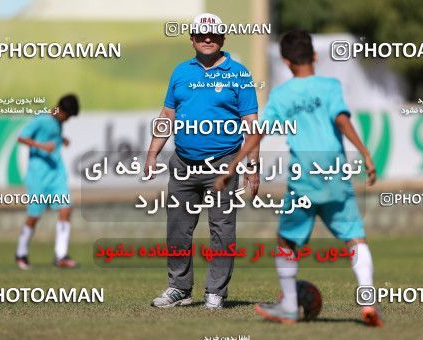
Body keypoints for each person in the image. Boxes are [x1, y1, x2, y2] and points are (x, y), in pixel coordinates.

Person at [215, 30, 382, 326]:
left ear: (286, 61)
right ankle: (368, 301)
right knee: (354, 236)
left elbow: (258, 133)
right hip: (334, 172)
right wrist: (365, 152)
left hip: (304, 174)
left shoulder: (282, 94)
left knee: (286, 240)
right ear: (314, 57)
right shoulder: (331, 86)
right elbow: (341, 120)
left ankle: (290, 306)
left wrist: (233, 166)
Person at [146, 13, 259, 309]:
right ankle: (179, 288)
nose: (207, 39)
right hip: (183, 164)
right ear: (192, 39)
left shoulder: (239, 73)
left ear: (223, 38)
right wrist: (152, 153)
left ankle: (216, 293)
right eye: (201, 34)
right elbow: (167, 116)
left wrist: (253, 167)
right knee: (178, 229)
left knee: (222, 229)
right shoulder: (180, 73)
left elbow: (251, 123)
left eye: (213, 35)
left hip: (223, 164)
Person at [15, 94, 79, 270]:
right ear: (62, 111)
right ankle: (21, 253)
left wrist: (61, 140)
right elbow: (21, 137)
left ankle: (61, 255)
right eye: (68, 115)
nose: (68, 119)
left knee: (66, 209)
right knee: (34, 216)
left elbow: (52, 138)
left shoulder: (58, 122)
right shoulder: (41, 119)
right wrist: (42, 146)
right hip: (38, 176)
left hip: (56, 175)